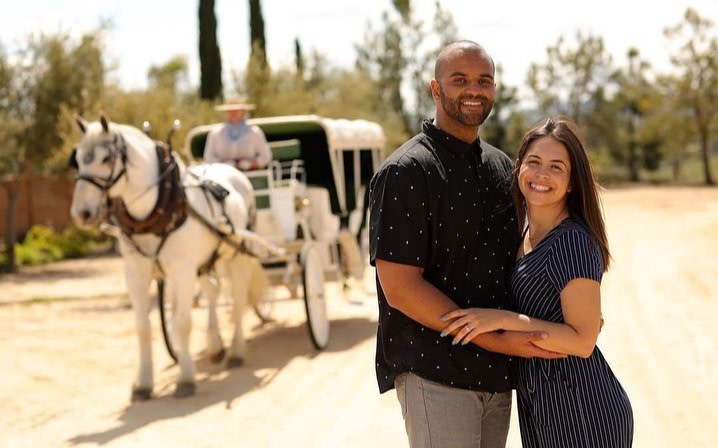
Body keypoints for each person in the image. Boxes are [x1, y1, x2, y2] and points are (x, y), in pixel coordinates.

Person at [368, 40, 565, 448]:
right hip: (435, 374)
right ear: (436, 89)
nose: (474, 90)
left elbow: (524, 256)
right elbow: (400, 288)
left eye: (484, 80)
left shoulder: (502, 166)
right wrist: (496, 338)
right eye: (460, 80)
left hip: (498, 377)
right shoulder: (405, 171)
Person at [441, 116, 634, 447]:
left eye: (556, 167)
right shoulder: (524, 233)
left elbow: (583, 341)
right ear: (518, 168)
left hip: (582, 406)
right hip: (543, 404)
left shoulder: (571, 241)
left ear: (571, 182)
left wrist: (500, 319)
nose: (542, 174)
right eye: (534, 162)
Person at [203, 97, 272, 171]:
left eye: (236, 110)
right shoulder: (216, 133)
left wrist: (250, 164)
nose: (233, 113)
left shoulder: (254, 132)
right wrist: (223, 164)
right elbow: (208, 157)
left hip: (250, 174)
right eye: (230, 110)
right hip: (223, 175)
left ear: (242, 111)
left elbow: (266, 157)